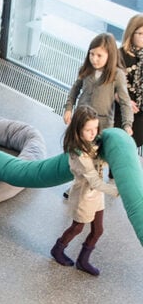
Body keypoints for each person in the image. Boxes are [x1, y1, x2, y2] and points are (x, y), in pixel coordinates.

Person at [51, 105, 119, 276]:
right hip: (84, 196)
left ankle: (83, 260)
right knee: (77, 227)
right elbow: (95, 181)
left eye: (96, 128)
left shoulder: (92, 143)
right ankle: (58, 249)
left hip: (97, 195)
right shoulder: (78, 154)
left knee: (98, 230)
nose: (93, 133)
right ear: (78, 130)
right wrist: (117, 191)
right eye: (88, 130)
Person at [63, 33, 133, 135]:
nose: (94, 59)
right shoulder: (86, 69)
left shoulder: (117, 75)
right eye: (92, 54)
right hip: (81, 119)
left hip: (102, 125)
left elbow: (125, 102)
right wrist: (68, 108)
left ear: (110, 55)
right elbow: (75, 89)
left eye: (99, 55)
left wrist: (127, 124)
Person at [114, 14, 143, 148]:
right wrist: (123, 100)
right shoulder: (119, 55)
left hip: (140, 113)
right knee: (118, 146)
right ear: (131, 33)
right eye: (141, 33)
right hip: (120, 110)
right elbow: (106, 83)